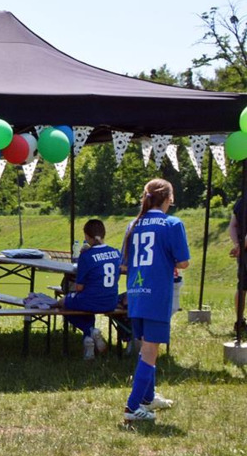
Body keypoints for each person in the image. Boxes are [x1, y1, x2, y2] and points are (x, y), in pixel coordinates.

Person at [120, 178, 191, 423]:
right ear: (169, 198)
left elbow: (125, 264)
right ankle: (132, 407)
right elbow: (183, 262)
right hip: (157, 293)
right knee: (151, 350)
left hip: (136, 292)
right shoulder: (172, 223)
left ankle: (148, 398)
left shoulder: (133, 224)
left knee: (145, 347)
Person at [60, 219, 122, 359]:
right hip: (111, 301)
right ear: (104, 234)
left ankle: (90, 331)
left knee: (63, 304)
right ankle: (88, 343)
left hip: (91, 300)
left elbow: (79, 287)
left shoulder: (86, 256)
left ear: (87, 237)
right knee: (86, 307)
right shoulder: (115, 253)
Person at [231, 192, 246, 334]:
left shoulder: (241, 201)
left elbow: (233, 226)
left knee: (242, 286)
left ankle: (239, 320)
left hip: (243, 252)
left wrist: (237, 245)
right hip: (243, 249)